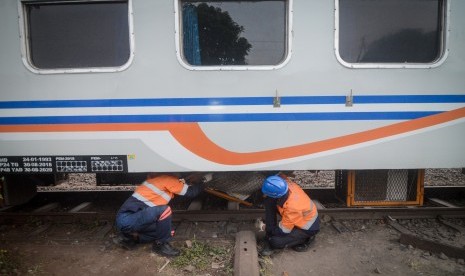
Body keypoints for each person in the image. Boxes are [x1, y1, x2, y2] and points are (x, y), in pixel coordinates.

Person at [114, 173, 204, 257]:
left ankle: (131, 237)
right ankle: (161, 246)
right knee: (165, 210)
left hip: (132, 218)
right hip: (127, 219)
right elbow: (191, 192)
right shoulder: (168, 179)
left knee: (168, 231)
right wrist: (202, 180)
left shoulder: (157, 178)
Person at [259, 173, 320, 256]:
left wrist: (264, 227)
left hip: (308, 227)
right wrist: (269, 229)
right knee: (268, 201)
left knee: (275, 242)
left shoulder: (292, 207)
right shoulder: (284, 184)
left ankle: (306, 239)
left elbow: (283, 231)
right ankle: (270, 231)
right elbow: (280, 175)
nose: (264, 195)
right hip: (298, 217)